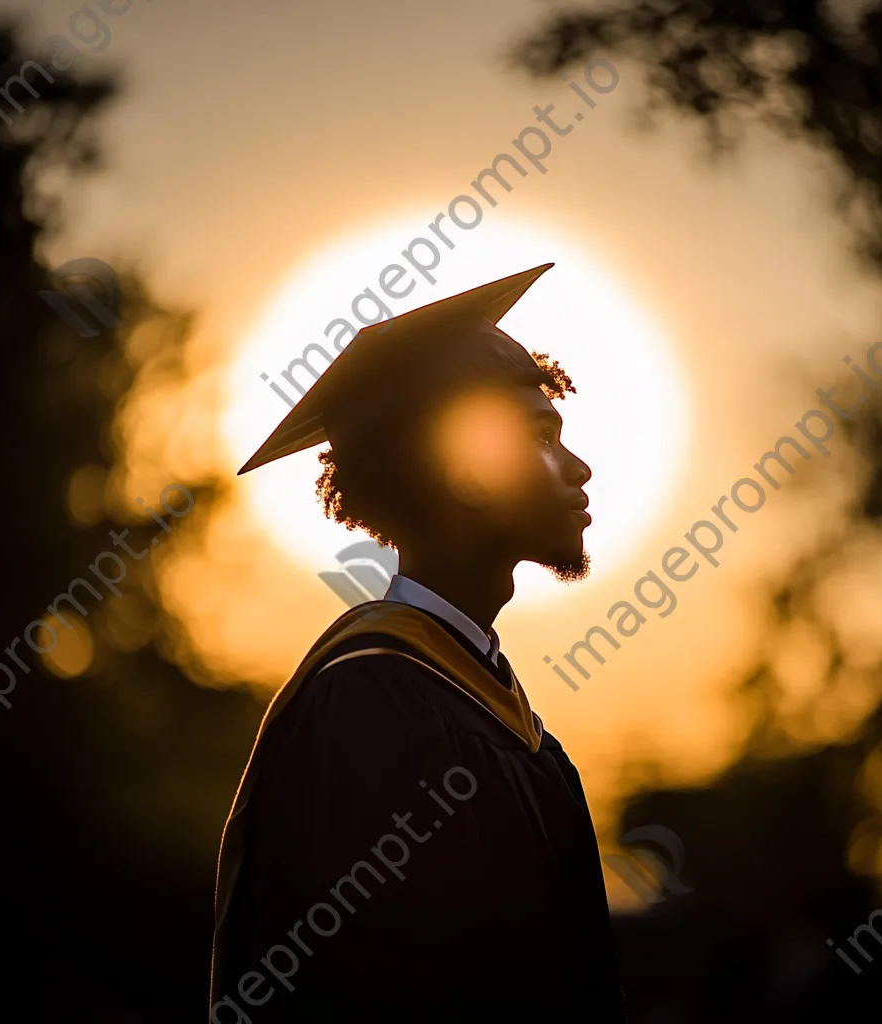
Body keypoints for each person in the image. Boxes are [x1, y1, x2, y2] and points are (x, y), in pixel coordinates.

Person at [210, 264, 626, 1022]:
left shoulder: (519, 734)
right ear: (467, 468)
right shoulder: (367, 705)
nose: (579, 467)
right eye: (541, 437)